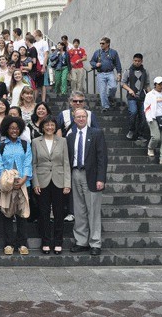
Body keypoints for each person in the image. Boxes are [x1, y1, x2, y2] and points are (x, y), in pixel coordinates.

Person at [67, 108, 108, 256]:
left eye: (83, 116)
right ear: (74, 118)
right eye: (78, 117)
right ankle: (81, 241)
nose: (81, 119)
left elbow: (102, 158)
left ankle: (95, 242)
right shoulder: (70, 137)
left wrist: (101, 178)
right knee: (79, 210)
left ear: (87, 117)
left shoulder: (96, 134)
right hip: (75, 173)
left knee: (93, 211)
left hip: (91, 176)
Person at [32, 118, 71, 254]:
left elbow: (66, 162)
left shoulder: (63, 141)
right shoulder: (36, 142)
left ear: (55, 127)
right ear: (42, 127)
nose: (49, 127)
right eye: (47, 125)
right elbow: (34, 164)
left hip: (59, 180)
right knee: (44, 213)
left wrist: (67, 183)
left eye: (52, 125)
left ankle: (58, 241)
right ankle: (46, 241)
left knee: (59, 212)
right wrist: (35, 182)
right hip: (42, 181)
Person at [0, 116, 32, 256]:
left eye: (16, 128)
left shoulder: (25, 144)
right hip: (7, 184)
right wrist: (9, 181)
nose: (14, 130)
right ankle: (8, 244)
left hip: (23, 183)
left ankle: (22, 243)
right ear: (6, 129)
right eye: (11, 128)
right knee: (7, 213)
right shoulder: (1, 145)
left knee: (22, 214)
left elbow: (28, 161)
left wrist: (23, 179)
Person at [121, 53, 150, 140]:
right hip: (131, 97)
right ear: (133, 60)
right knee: (133, 112)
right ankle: (131, 130)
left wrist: (152, 95)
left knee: (143, 115)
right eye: (135, 61)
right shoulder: (127, 71)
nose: (137, 62)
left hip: (142, 97)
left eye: (139, 61)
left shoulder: (145, 72)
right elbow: (123, 83)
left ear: (142, 61)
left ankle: (140, 134)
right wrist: (129, 90)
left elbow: (147, 85)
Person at [90, 37, 122, 111]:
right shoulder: (97, 52)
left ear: (108, 44)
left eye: (103, 43)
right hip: (100, 74)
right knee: (102, 91)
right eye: (100, 43)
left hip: (110, 73)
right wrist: (95, 64)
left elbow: (118, 64)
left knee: (113, 87)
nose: (101, 45)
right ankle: (105, 106)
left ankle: (110, 98)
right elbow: (92, 61)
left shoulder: (113, 52)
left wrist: (119, 73)